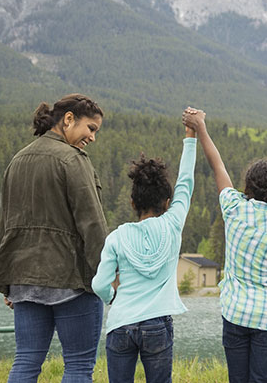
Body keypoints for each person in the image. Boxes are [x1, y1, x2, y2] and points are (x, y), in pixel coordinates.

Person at [182, 107, 267, 383]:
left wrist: (201, 128)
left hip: (234, 314)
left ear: (247, 185)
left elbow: (217, 165)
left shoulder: (234, 208)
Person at [0, 93, 109, 383]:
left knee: (26, 361)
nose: (92, 138)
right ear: (68, 119)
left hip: (23, 280)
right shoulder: (73, 160)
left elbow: (4, 224)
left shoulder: (18, 159)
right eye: (90, 129)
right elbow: (92, 223)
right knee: (79, 366)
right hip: (71, 281)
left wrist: (7, 280)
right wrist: (106, 275)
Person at [91, 119, 197, 383]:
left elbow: (99, 284)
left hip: (120, 324)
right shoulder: (173, 224)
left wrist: (112, 298)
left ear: (132, 202)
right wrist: (190, 135)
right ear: (168, 203)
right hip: (157, 325)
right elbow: (186, 181)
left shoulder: (117, 237)